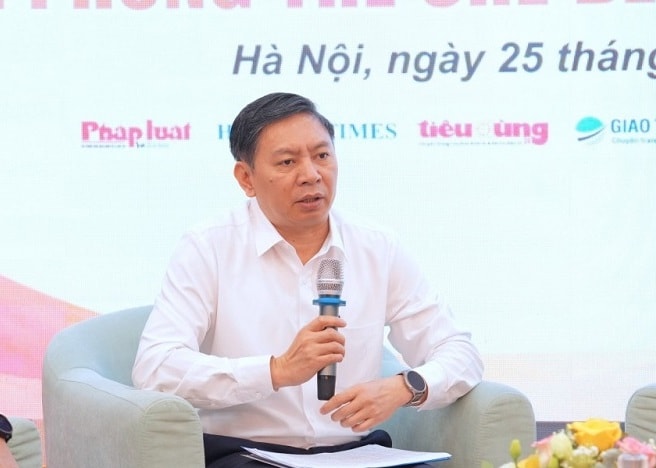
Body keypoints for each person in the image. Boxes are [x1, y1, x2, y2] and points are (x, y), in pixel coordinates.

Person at [132, 92, 483, 467]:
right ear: (246, 178)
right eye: (288, 162)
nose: (312, 175)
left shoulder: (377, 247)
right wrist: (275, 370)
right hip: (247, 454)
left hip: (355, 455)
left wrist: (405, 387)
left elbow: (459, 352)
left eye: (322, 156)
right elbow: (155, 367)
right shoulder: (208, 247)